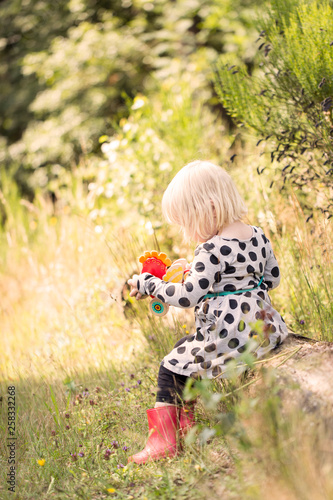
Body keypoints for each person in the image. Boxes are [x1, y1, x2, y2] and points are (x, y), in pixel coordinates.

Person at [127, 160, 288, 464]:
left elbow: (187, 296)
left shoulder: (211, 249)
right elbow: (273, 279)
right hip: (265, 330)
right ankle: (185, 423)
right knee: (182, 348)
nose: (188, 233)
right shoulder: (259, 235)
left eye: (188, 222)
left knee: (170, 365)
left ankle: (165, 440)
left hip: (230, 336)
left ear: (211, 209)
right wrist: (237, 285)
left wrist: (151, 285)